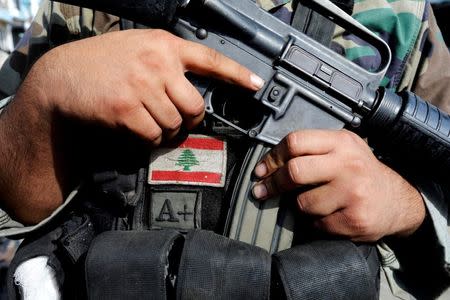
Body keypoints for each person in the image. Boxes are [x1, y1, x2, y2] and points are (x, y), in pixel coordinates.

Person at [0, 0, 448, 298]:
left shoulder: (399, 19)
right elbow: (14, 201)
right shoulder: (80, 14)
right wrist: (46, 97)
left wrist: (408, 209)